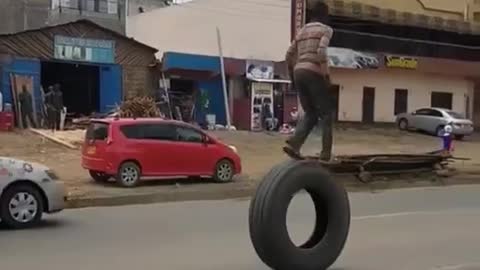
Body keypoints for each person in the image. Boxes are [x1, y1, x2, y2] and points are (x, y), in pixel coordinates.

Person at [283, 1, 334, 161]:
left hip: (299, 71)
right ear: (325, 16)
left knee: (311, 113)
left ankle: (294, 144)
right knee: (327, 114)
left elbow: (288, 54)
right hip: (314, 72)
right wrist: (326, 76)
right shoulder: (326, 30)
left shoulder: (302, 30)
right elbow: (321, 52)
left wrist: (292, 75)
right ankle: (326, 154)